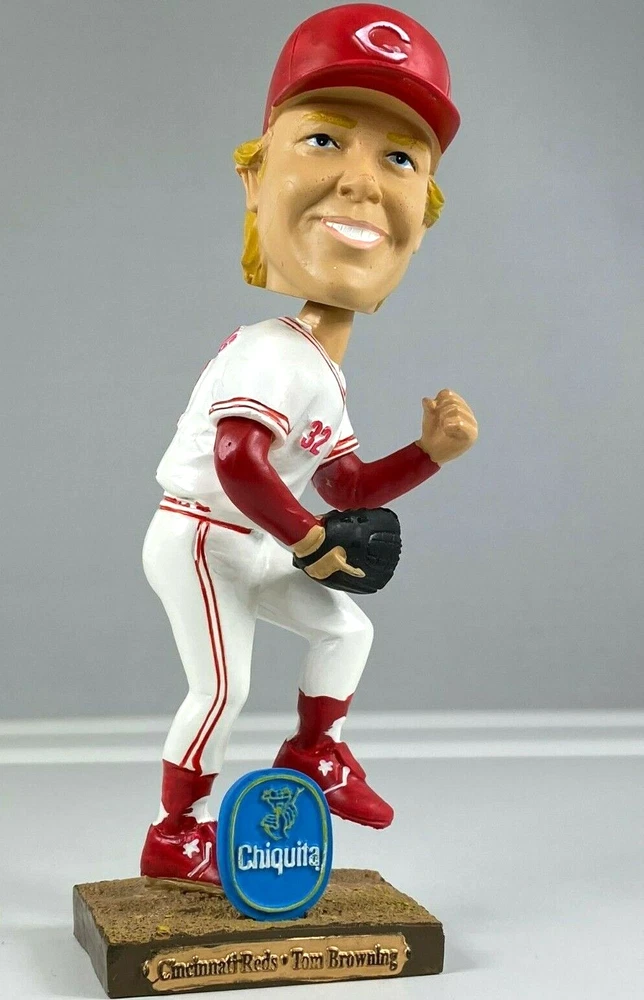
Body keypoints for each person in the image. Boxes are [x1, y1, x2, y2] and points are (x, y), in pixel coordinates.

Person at [140, 4, 478, 891]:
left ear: (425, 213)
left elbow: (348, 482)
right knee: (220, 689)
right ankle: (173, 837)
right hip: (201, 535)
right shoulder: (271, 350)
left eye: (399, 158)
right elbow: (238, 462)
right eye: (325, 139)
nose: (362, 182)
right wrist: (310, 539)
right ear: (255, 180)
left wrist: (428, 453)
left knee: (344, 629)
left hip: (253, 539)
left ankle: (315, 751)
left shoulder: (319, 367)